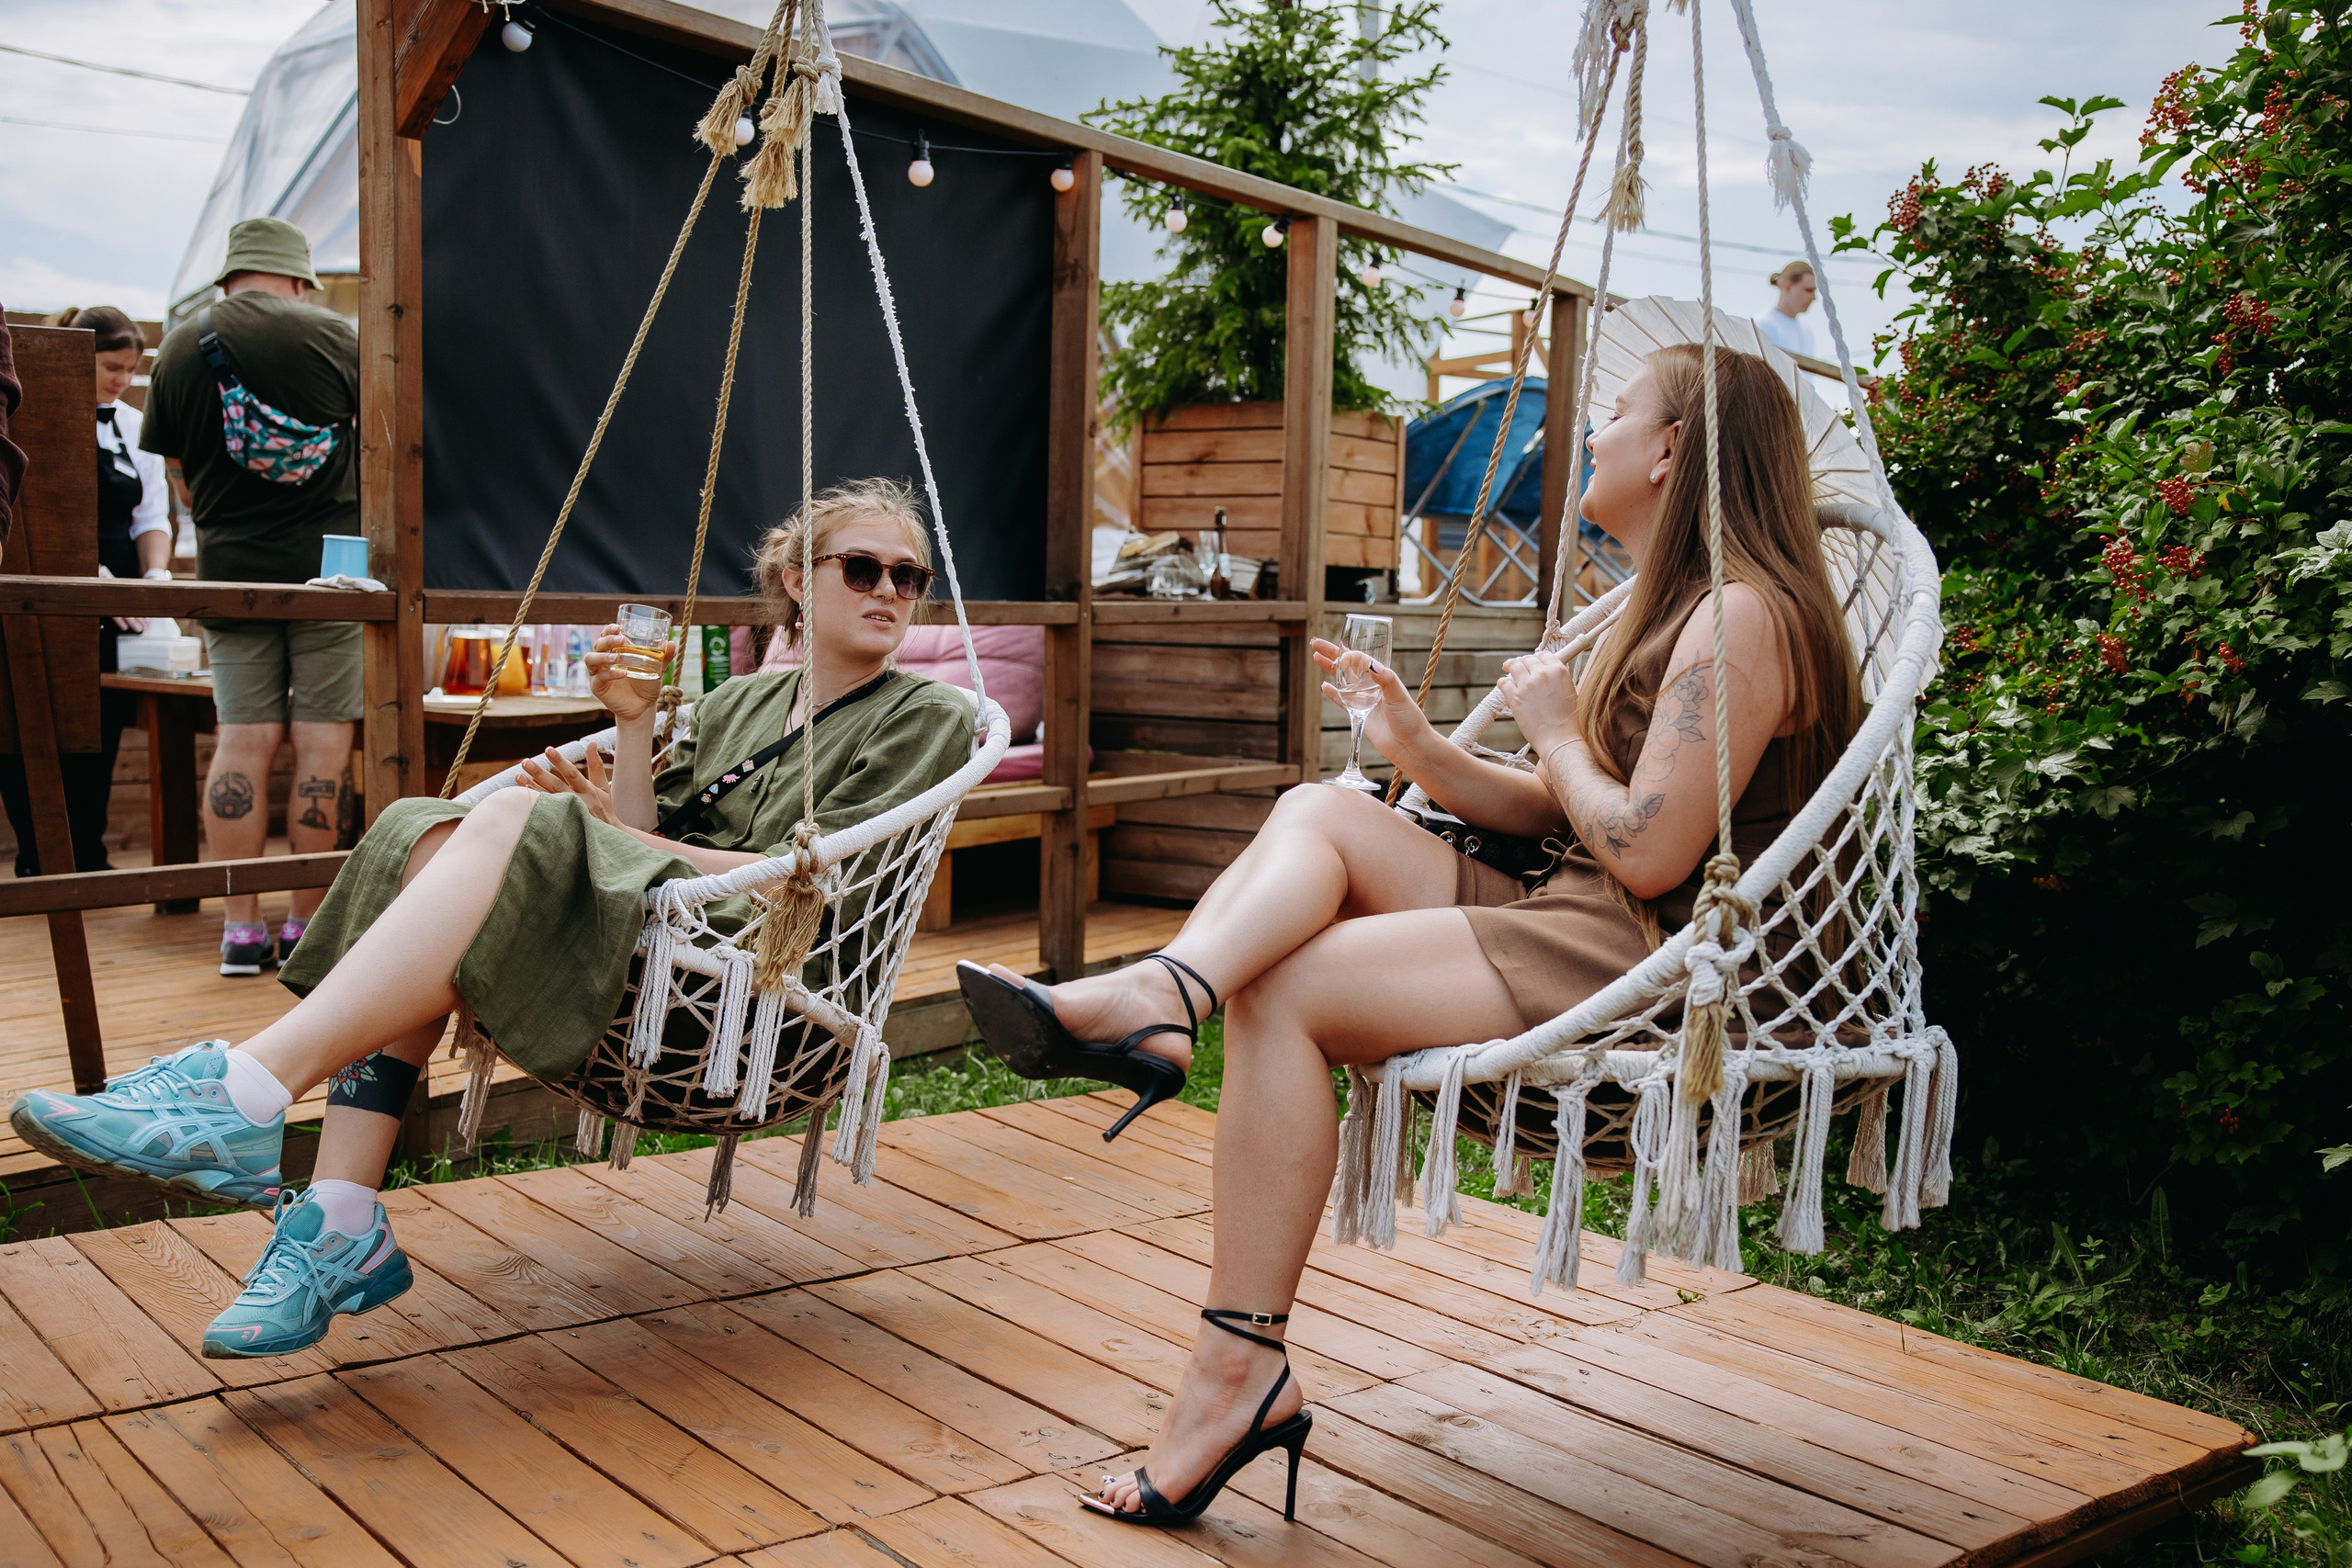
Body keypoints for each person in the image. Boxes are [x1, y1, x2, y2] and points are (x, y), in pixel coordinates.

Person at [958, 343, 1862, 1526]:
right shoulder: (1685, 607)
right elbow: (1577, 811)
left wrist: (1549, 724)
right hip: (1586, 906)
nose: (1586, 437)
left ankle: (1238, 1372)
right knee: (1320, 809)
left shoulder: (1741, 617)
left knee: (1288, 992)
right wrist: (1423, 754)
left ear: (1673, 449)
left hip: (1662, 962)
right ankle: (1166, 997)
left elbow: (1646, 851)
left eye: (1613, 416)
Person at [9, 479, 977, 1358]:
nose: (889, 589)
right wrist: (635, 729)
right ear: (795, 582)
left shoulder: (927, 712)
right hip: (654, 941)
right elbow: (641, 836)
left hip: (754, 987)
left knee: (511, 816)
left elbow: (801, 890)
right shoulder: (745, 700)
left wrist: (610, 841)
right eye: (862, 567)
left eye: (908, 575)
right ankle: (337, 1215)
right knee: (419, 832)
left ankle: (247, 1094)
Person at [140, 217, 362, 976]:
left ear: (229, 276)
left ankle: (240, 927)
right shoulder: (340, 338)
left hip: (229, 574)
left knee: (241, 740)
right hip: (332, 576)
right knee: (324, 743)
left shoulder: (177, 345)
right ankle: (303, 920)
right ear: (299, 279)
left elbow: (176, 474)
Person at [0, 307, 173, 875]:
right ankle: (39, 857)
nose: (121, 380)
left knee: (102, 726)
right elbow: (31, 508)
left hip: (118, 609)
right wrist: (84, 571)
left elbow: (152, 513)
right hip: (48, 594)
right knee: (30, 726)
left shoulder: (132, 426)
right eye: (110, 367)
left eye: (130, 369)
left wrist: (151, 583)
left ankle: (88, 854)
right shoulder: (31, 419)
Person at [1755, 259, 1818, 359]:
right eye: (1808, 290)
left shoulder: (1807, 332)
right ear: (1788, 287)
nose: (1814, 297)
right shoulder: (1763, 325)